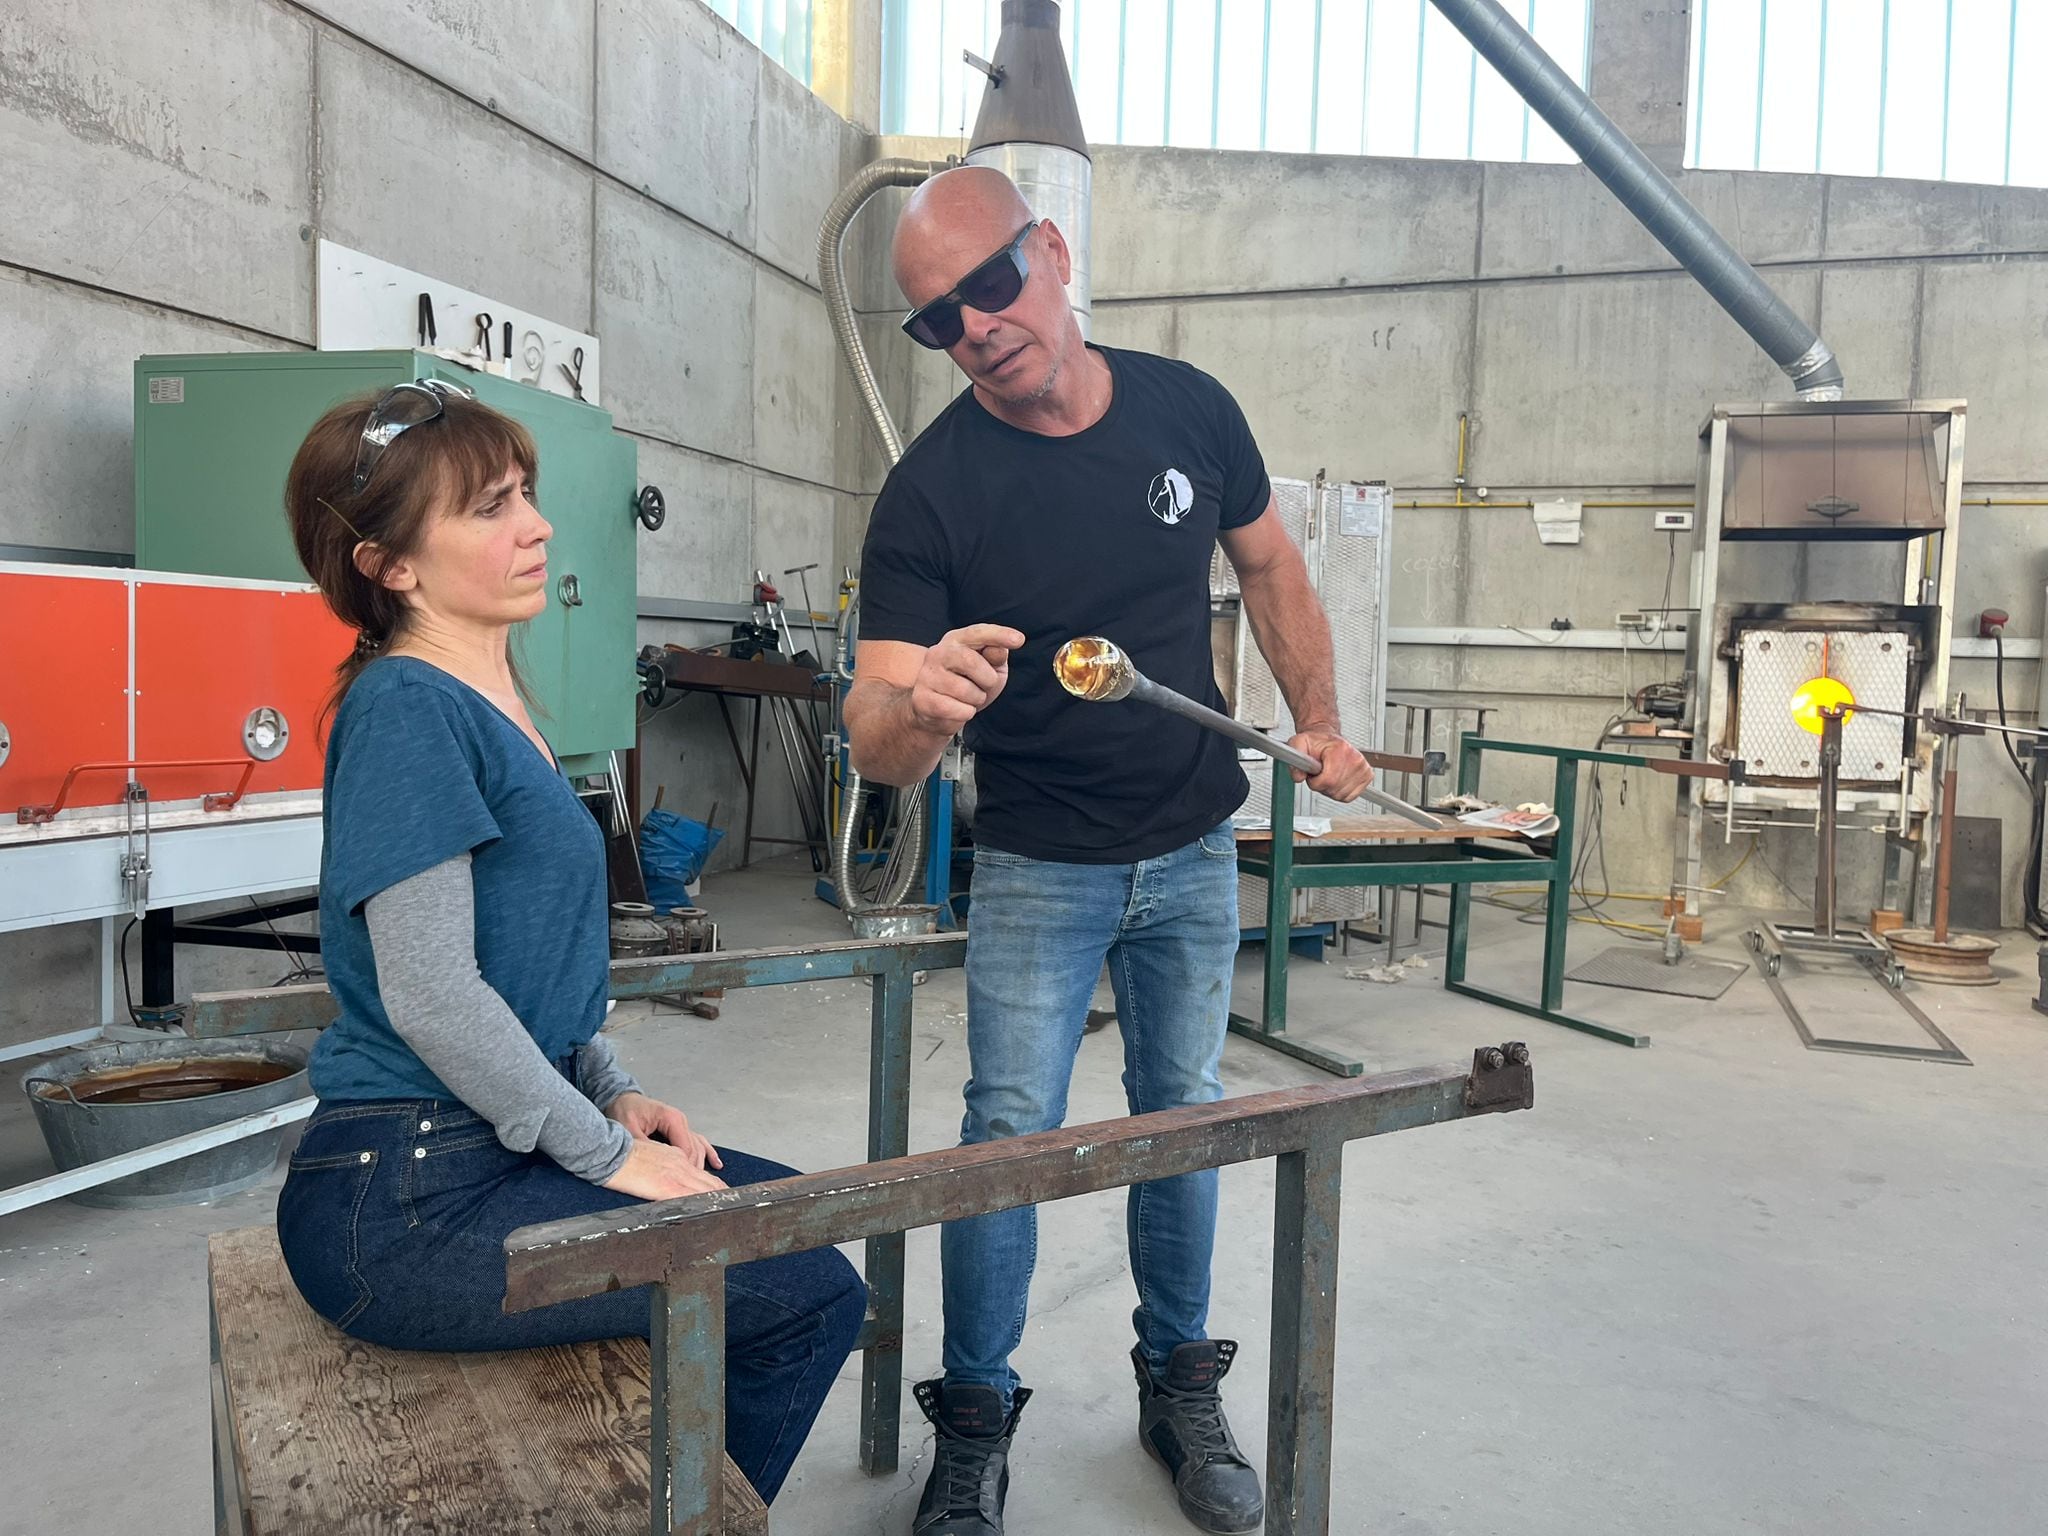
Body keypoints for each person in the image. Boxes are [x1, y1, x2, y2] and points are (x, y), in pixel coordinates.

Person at [845, 167, 1373, 1536]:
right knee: (1006, 1138)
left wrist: (1318, 718)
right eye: (937, 321)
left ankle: (1177, 1389)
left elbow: (1271, 567)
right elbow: (871, 740)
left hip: (1196, 844)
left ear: (1055, 250)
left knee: (1180, 1120)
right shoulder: (931, 496)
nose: (974, 327)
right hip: (1041, 864)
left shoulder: (1191, 408)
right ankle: (973, 1421)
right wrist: (919, 708)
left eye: (990, 285)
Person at [273, 380, 865, 1506]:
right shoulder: (408, 709)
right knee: (806, 1291)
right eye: (490, 508)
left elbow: (526, 967)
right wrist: (598, 1154)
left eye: (527, 495)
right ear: (390, 566)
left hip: (489, 1147)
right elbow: (434, 994)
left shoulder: (492, 694)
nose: (536, 525)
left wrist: (611, 1090)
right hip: (404, 1202)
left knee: (803, 1219)